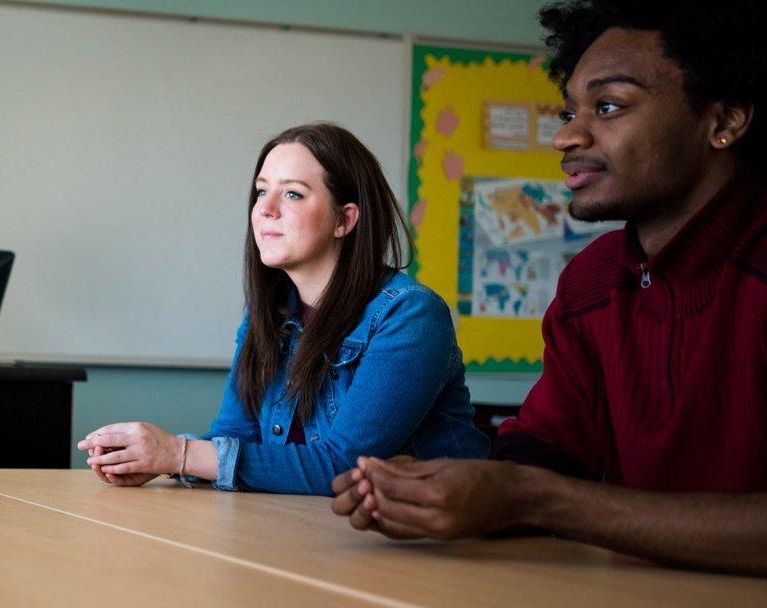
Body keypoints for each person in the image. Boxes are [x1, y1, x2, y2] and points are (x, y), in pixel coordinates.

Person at [330, 0, 767, 576]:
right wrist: (449, 489)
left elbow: (542, 490)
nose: (567, 137)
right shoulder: (591, 281)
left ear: (725, 120)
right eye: (569, 112)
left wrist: (531, 495)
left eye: (608, 106)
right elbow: (546, 447)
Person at [77, 124, 488, 494]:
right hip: (311, 533)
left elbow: (346, 466)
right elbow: (235, 435)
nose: (265, 208)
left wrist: (178, 454)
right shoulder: (270, 314)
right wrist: (155, 461)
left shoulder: (411, 315)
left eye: (292, 193)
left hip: (437, 550)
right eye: (261, 190)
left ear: (344, 220)